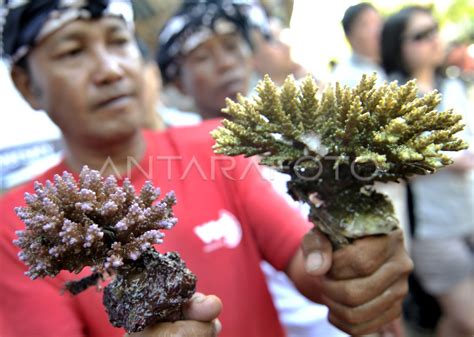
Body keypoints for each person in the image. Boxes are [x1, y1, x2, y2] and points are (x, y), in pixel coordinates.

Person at [0, 1, 412, 337]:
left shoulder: (214, 145)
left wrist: (353, 267)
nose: (110, 70)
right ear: (26, 84)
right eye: (73, 51)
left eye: (119, 41)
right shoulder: (16, 225)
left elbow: (305, 259)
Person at [156, 2, 343, 336]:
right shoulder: (185, 172)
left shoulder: (295, 130)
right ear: (179, 83)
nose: (225, 62)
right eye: (202, 57)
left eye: (231, 47)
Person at [381, 6, 474, 337]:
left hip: (467, 215)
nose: (434, 39)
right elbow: (387, 166)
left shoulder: (452, 84)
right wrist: (447, 159)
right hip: (431, 229)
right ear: (398, 46)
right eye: (421, 35)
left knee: (457, 322)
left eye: (434, 30)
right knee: (467, 319)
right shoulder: (392, 98)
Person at [332, 2, 386, 87]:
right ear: (350, 36)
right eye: (366, 25)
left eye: (378, 22)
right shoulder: (345, 75)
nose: (377, 30)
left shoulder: (393, 64)